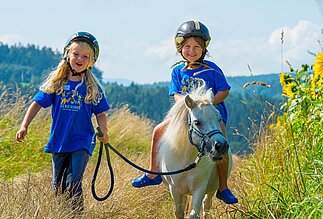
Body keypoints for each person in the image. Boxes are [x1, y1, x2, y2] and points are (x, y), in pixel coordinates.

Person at [132, 20, 238, 204]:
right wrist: (189, 105)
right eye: (187, 46)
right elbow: (176, 95)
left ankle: (223, 187)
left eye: (197, 47)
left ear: (204, 48)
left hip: (210, 116)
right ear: (179, 48)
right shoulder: (177, 71)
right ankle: (153, 173)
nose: (192, 51)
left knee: (221, 141)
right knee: (158, 130)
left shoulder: (212, 69)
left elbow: (224, 90)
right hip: (185, 114)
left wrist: (209, 102)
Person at [15, 32, 110, 211]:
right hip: (59, 140)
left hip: (81, 141)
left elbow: (101, 113)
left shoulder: (92, 87)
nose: (79, 58)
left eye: (85, 56)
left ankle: (76, 214)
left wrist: (104, 131)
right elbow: (36, 104)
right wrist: (24, 126)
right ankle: (60, 212)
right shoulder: (57, 83)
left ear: (91, 61)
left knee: (74, 181)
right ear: (67, 54)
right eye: (76, 54)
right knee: (57, 185)